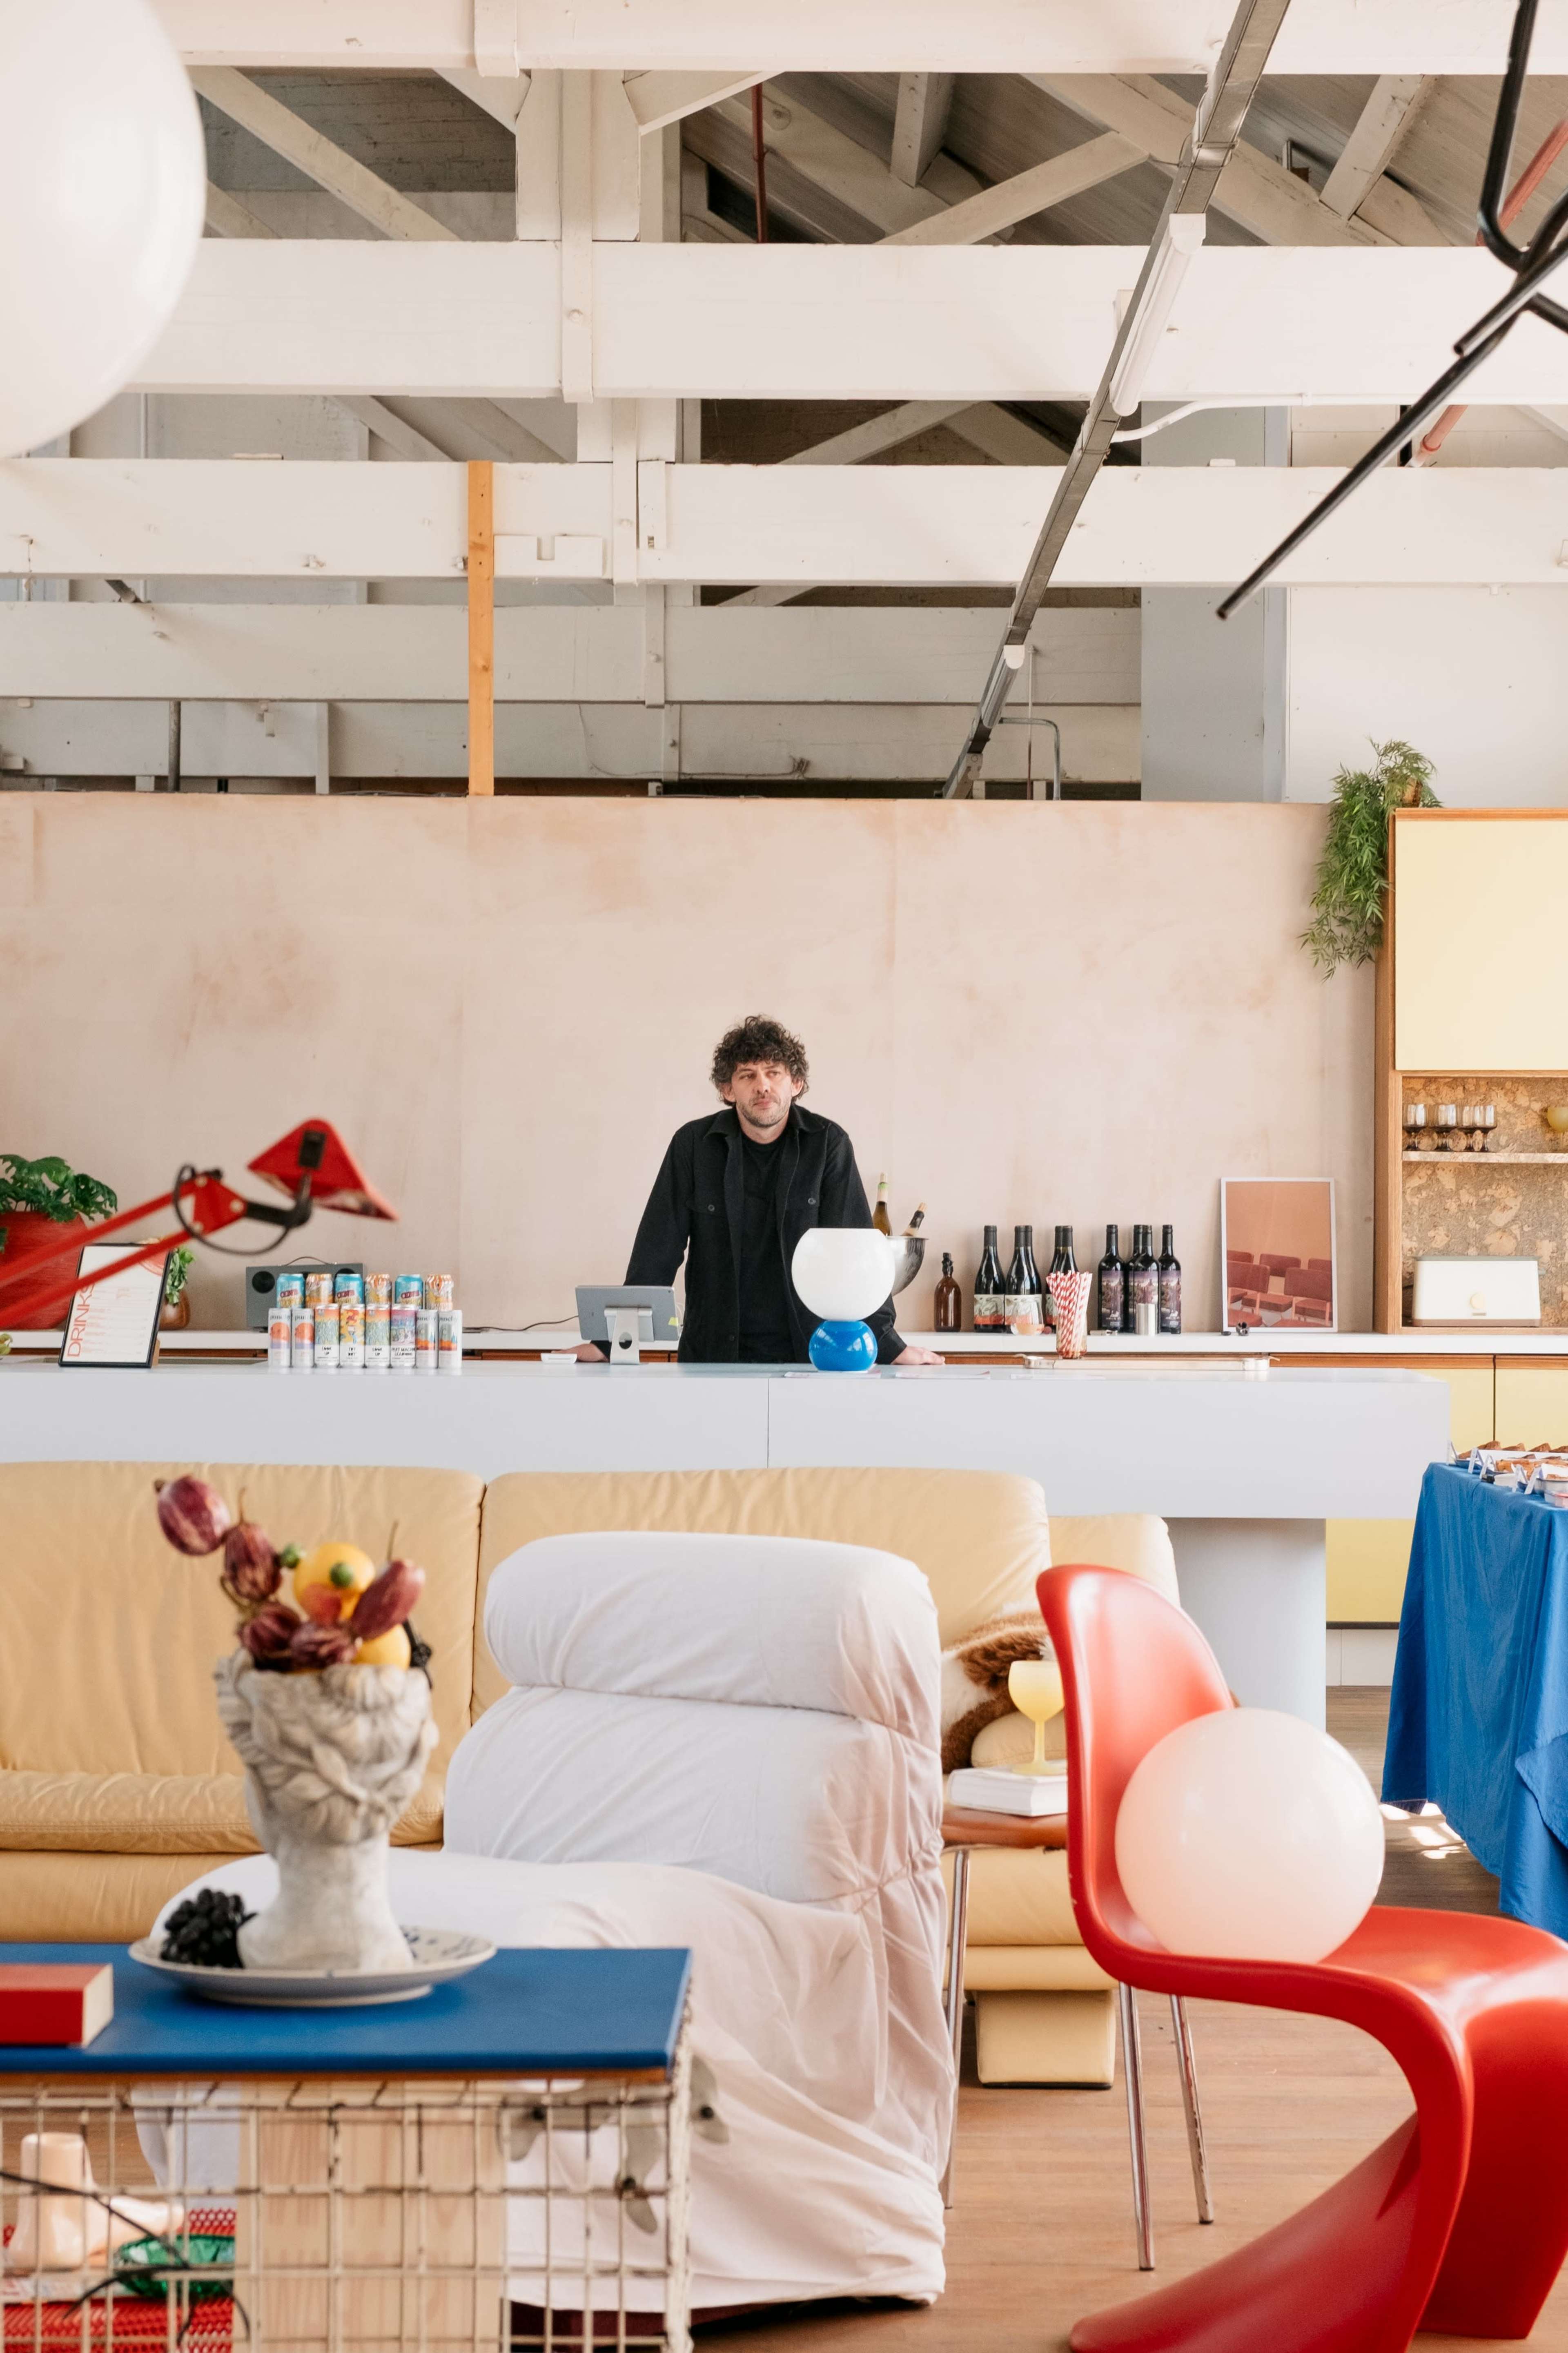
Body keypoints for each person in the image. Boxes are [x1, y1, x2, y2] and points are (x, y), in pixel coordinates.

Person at [579, 1014, 942, 1366]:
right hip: (712, 1356)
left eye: (774, 1073)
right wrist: (609, 1340)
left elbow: (859, 1254)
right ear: (727, 1088)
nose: (762, 1085)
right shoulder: (693, 1145)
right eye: (748, 1075)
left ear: (795, 1083)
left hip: (812, 1355)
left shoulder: (828, 1144)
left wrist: (888, 1344)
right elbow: (656, 1251)